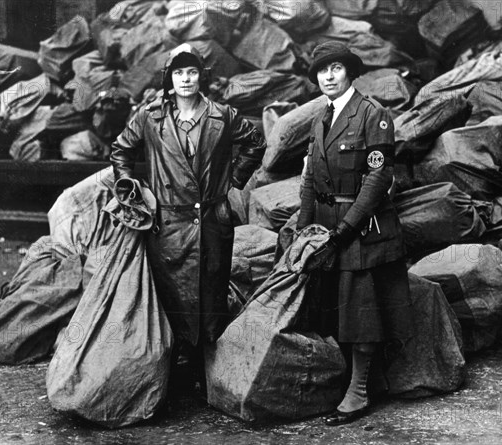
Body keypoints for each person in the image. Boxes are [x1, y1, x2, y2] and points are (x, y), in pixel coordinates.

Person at [110, 43, 266, 379]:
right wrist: (131, 191)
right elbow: (121, 151)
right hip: (168, 223)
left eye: (191, 72)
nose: (185, 79)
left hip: (212, 218)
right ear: (169, 79)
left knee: (211, 297)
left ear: (201, 77)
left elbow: (256, 143)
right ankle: (174, 369)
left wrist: (232, 181)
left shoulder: (222, 115)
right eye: (178, 73)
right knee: (173, 298)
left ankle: (208, 368)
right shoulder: (150, 117)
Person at [297, 41, 414, 425]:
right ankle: (354, 380)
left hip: (362, 229)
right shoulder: (321, 118)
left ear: (349, 72)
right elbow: (310, 179)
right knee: (336, 309)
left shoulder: (372, 114)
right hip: (328, 226)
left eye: (336, 68)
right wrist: (304, 231)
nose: (328, 76)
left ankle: (359, 391)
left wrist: (343, 232)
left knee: (361, 311)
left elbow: (378, 178)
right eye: (321, 70)